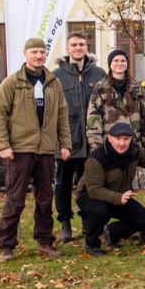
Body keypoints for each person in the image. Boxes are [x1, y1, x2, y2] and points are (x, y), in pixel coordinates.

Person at [0, 38, 71, 261]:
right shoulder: (12, 82)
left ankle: (45, 241)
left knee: (45, 199)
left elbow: (62, 116)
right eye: (34, 52)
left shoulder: (53, 83)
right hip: (19, 150)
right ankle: (6, 246)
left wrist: (65, 144)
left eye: (42, 52)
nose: (39, 56)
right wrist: (3, 145)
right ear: (25, 54)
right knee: (15, 199)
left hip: (45, 150)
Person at [76, 123, 145, 256]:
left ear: (131, 139)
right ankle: (92, 244)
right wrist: (118, 198)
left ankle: (112, 232)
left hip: (120, 195)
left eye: (126, 139)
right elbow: (94, 190)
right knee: (101, 211)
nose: (122, 143)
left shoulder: (136, 151)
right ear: (110, 139)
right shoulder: (97, 158)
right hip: (90, 195)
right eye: (118, 139)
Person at [51, 31, 106, 243]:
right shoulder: (56, 75)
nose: (78, 48)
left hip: (91, 141)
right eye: (73, 44)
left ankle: (87, 222)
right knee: (63, 184)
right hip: (66, 140)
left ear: (87, 47)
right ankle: (65, 224)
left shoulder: (99, 73)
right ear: (67, 48)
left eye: (81, 44)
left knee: (89, 184)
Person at [86, 49, 145, 151]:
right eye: (116, 61)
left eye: (123, 61)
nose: (119, 63)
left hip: (133, 146)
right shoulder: (101, 88)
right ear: (110, 64)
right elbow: (93, 121)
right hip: (109, 147)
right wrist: (97, 150)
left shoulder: (136, 88)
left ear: (127, 64)